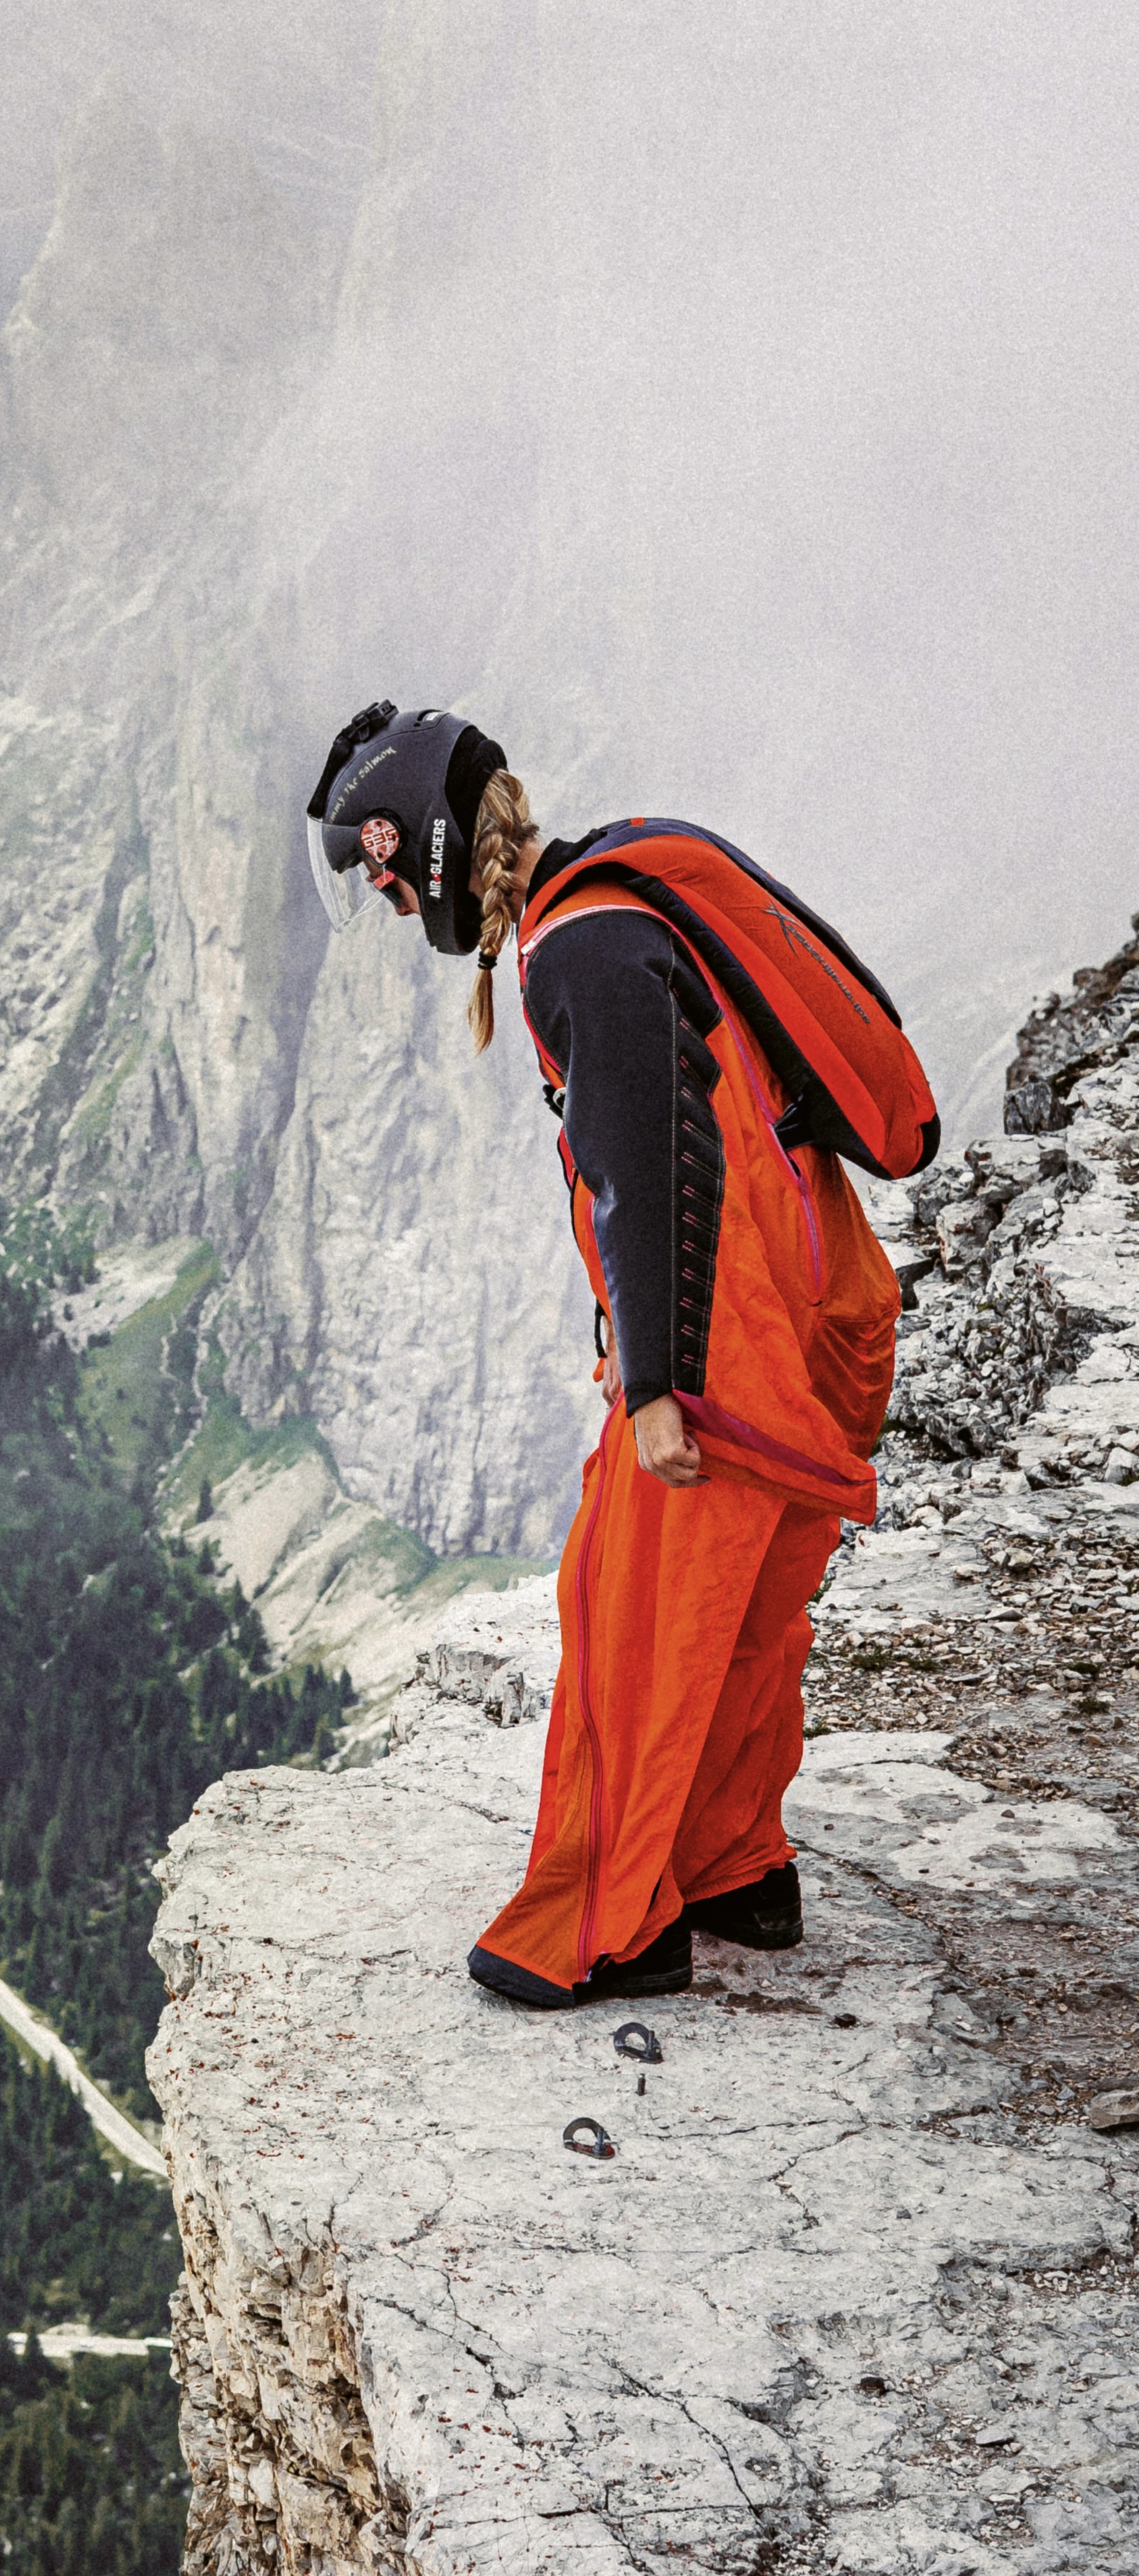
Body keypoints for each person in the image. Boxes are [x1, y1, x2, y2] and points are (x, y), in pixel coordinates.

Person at [305, 703, 931, 2008]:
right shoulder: (620, 890)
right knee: (750, 1624)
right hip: (823, 1310)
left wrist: (655, 1385)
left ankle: (610, 1924)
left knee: (629, 1620)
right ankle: (736, 1871)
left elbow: (647, 1158)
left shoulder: (576, 948)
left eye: (376, 867)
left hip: (732, 1346)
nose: (379, 893)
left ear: (413, 844)